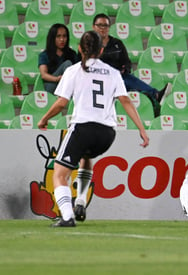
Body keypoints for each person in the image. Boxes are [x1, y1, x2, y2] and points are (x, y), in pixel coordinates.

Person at [37, 30, 149, 227]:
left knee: (59, 174)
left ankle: (67, 216)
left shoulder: (73, 71)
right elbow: (126, 101)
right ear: (102, 50)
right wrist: (142, 129)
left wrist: (44, 119)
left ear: (80, 48)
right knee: (86, 158)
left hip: (83, 128)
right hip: (107, 134)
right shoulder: (113, 73)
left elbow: (62, 103)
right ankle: (80, 200)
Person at [92, 13, 170, 116]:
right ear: (94, 27)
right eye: (99, 25)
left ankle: (153, 97)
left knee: (127, 77)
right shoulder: (89, 44)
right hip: (97, 79)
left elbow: (126, 62)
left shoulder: (117, 43)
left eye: (105, 25)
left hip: (117, 78)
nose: (102, 28)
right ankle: (153, 96)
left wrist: (124, 69)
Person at [38, 23, 78, 94]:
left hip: (67, 86)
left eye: (64, 36)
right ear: (53, 38)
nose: (62, 39)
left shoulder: (72, 54)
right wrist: (58, 79)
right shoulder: (44, 54)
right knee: (68, 63)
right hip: (52, 85)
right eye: (58, 36)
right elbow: (44, 75)